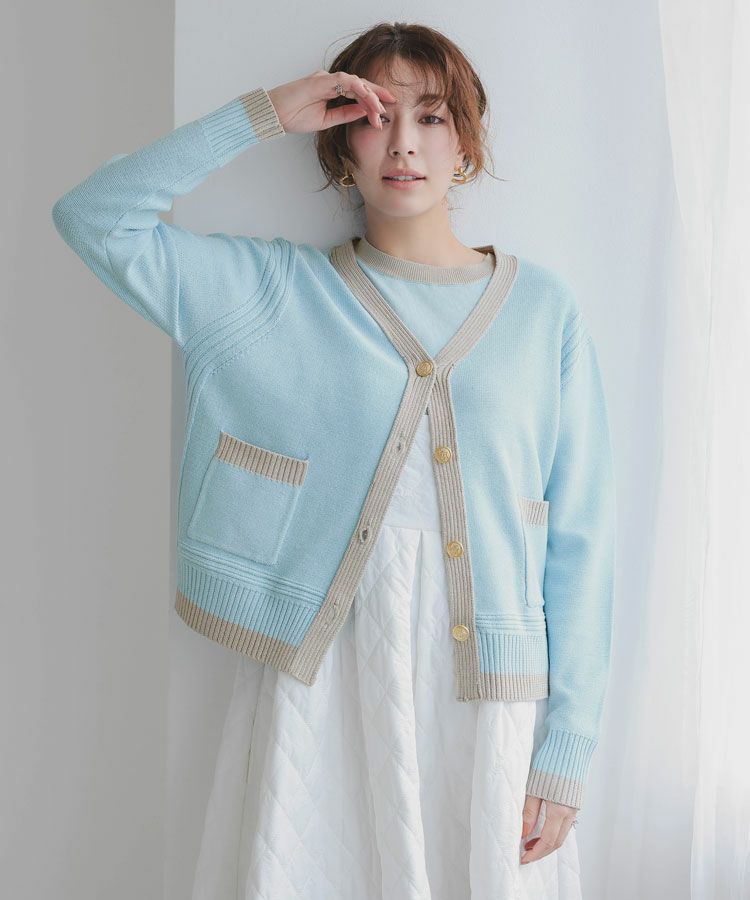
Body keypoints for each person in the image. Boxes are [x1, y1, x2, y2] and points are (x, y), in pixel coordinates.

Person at [53, 20, 616, 900]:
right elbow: (93, 219)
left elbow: (582, 535)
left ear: (466, 143)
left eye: (432, 117)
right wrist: (262, 116)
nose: (404, 144)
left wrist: (567, 750)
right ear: (340, 146)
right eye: (375, 117)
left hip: (491, 694)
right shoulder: (275, 294)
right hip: (322, 679)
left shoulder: (543, 313)